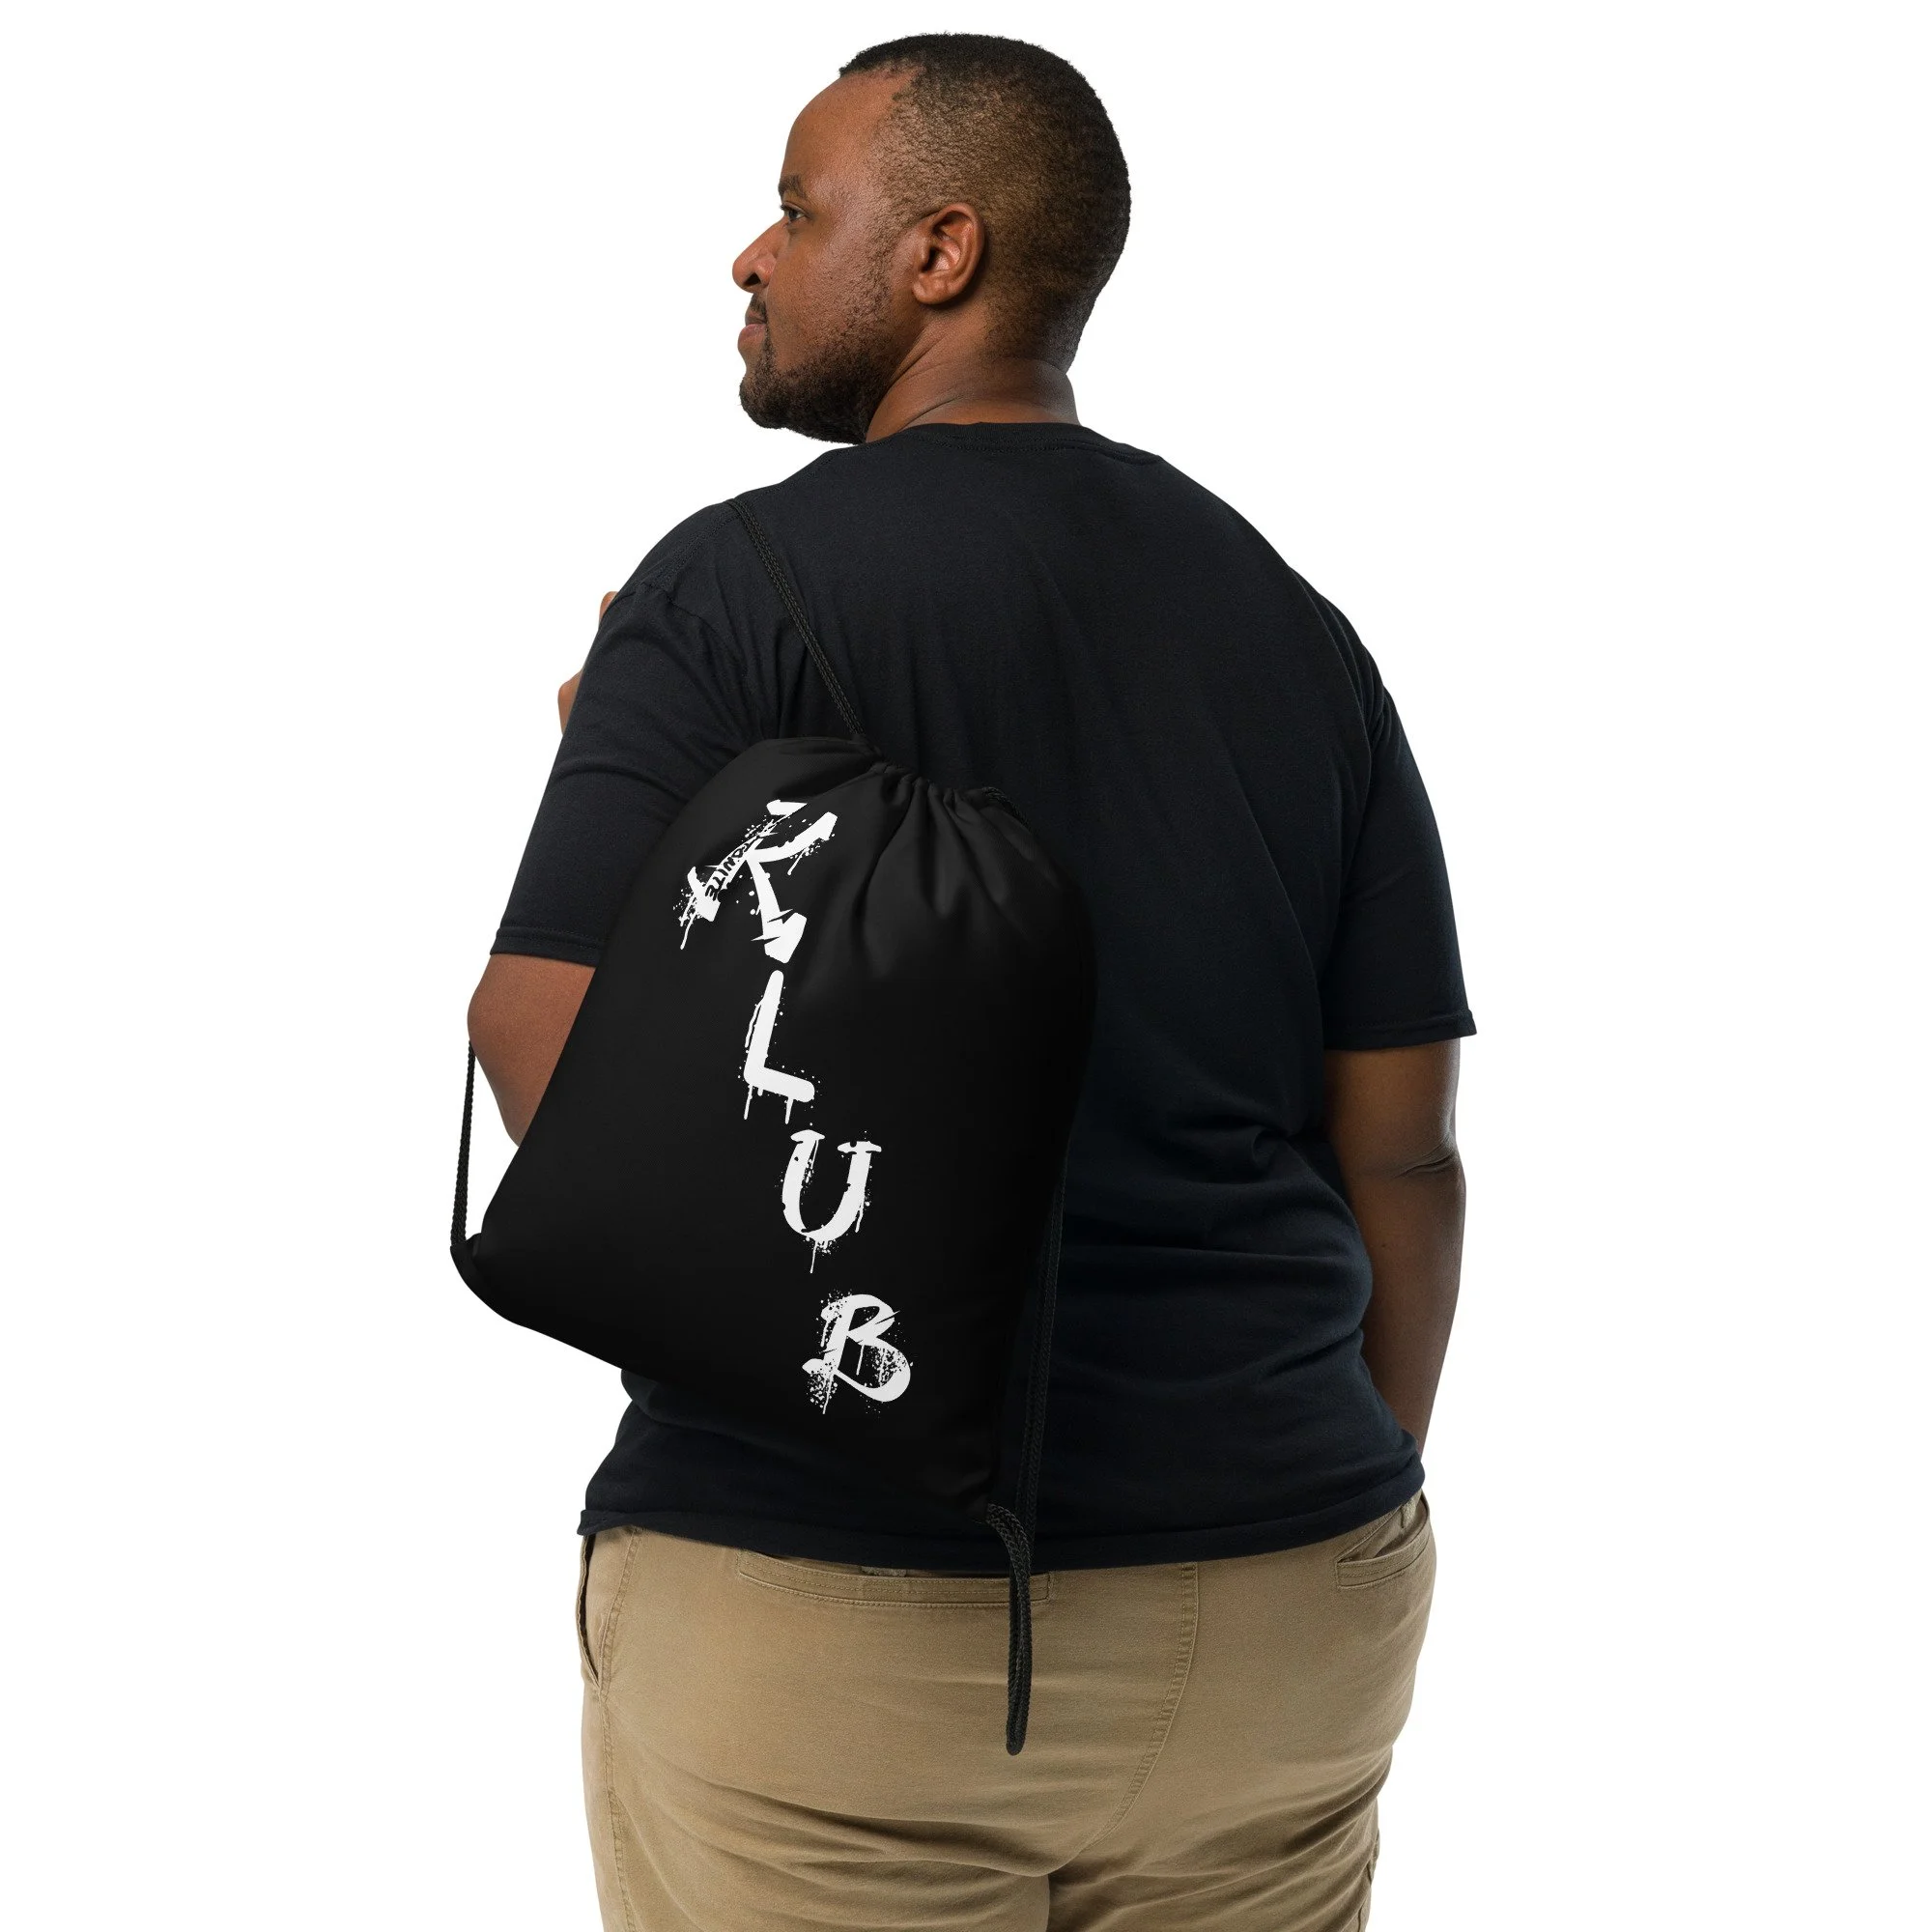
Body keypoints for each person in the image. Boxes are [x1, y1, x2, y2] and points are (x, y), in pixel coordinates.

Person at [467, 32, 1471, 1932]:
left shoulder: (735, 588)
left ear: (940, 253)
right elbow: (1403, 1154)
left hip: (838, 1628)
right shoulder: (1295, 627)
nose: (750, 256)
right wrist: (1301, 1500)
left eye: (795, 209)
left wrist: (661, 822)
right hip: (1285, 1618)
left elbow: (545, 1057)